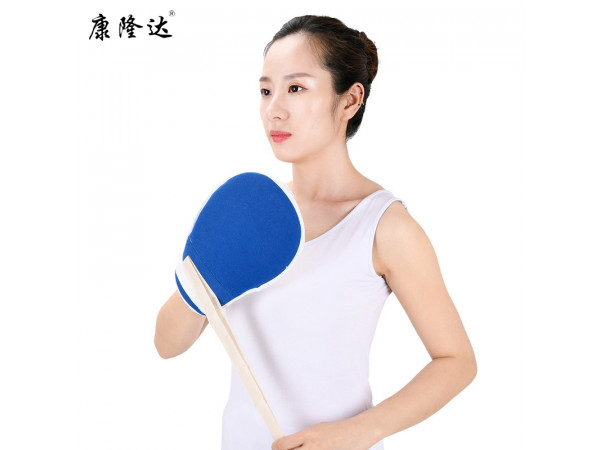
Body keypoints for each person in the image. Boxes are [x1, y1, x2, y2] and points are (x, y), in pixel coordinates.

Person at [154, 14, 477, 450]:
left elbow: (456, 361)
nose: (274, 109)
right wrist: (211, 267)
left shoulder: (384, 226)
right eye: (266, 91)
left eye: (296, 88)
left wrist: (359, 431)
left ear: (350, 100)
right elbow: (167, 344)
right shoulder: (252, 214)